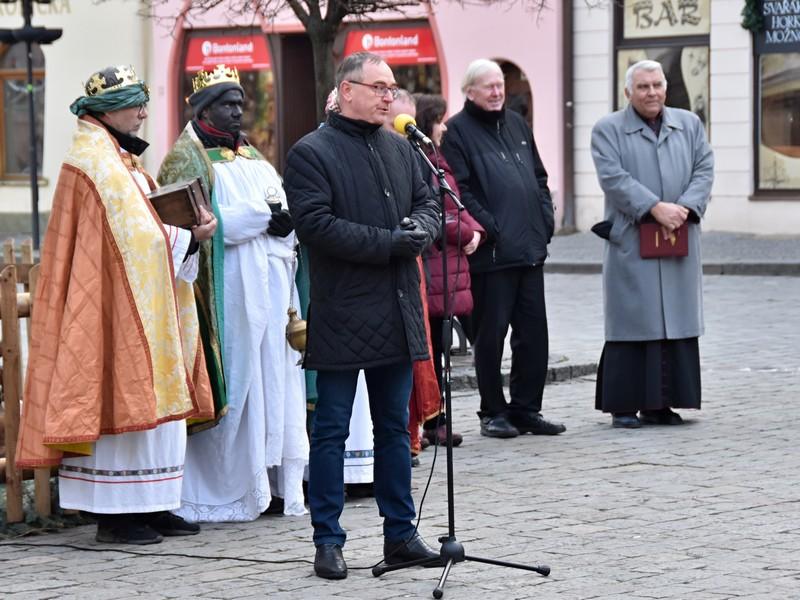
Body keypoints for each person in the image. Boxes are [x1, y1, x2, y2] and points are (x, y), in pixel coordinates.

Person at [15, 65, 216, 544]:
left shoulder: (121, 158)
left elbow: (145, 224)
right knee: (121, 395)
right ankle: (117, 516)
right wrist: (186, 235)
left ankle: (154, 503)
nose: (144, 112)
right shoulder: (94, 161)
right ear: (107, 110)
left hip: (144, 299)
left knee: (152, 404)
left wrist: (186, 225)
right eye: (135, 103)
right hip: (110, 306)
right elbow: (137, 238)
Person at [284, 51, 441, 580]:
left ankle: (401, 533)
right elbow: (317, 226)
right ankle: (327, 539)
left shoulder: (401, 148)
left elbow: (430, 203)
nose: (387, 97)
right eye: (377, 87)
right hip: (344, 311)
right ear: (346, 90)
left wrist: (420, 229)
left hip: (396, 309)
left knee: (394, 429)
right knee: (329, 430)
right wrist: (392, 243)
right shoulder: (311, 152)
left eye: (392, 88)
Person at [158, 64, 309, 520]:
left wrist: (283, 225)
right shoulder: (186, 159)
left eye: (241, 103)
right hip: (229, 290)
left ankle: (273, 479)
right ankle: (228, 487)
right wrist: (263, 219)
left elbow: (277, 207)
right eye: (227, 103)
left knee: (275, 382)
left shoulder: (252, 156)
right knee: (241, 381)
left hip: (271, 285)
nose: (238, 111)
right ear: (205, 108)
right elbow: (196, 219)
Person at [441, 58, 565, 439]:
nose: (497, 92)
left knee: (533, 336)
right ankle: (492, 411)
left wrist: (545, 220)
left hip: (529, 250)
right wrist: (491, 230)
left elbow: (538, 177)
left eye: (500, 85)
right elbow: (462, 191)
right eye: (488, 86)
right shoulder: (457, 132)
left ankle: (527, 408)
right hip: (492, 256)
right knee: (489, 338)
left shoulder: (515, 123)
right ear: (469, 91)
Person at [590, 59, 713, 429]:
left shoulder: (689, 124)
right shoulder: (607, 129)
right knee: (632, 320)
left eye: (657, 85)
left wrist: (685, 208)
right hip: (632, 235)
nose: (652, 93)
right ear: (628, 92)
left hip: (679, 235)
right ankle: (624, 405)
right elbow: (613, 177)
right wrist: (654, 207)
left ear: (666, 87)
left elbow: (704, 169)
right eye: (643, 87)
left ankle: (663, 404)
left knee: (674, 318)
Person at [414, 93, 486, 448]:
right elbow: (436, 214)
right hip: (434, 265)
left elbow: (455, 203)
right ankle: (429, 420)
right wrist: (466, 232)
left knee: (442, 347)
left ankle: (436, 419)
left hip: (450, 265)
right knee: (431, 348)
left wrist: (476, 229)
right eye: (440, 120)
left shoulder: (438, 161)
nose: (444, 127)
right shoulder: (421, 161)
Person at [383, 89, 442, 463]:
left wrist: (421, 226)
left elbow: (430, 201)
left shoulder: (412, 153)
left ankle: (412, 433)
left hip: (411, 265)